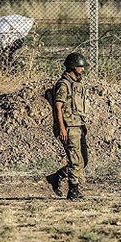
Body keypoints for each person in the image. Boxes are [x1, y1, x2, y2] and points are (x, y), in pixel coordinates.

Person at [45, 52, 89, 201]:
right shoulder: (64, 85)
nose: (82, 69)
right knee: (75, 161)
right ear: (72, 67)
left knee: (83, 161)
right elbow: (58, 107)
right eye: (79, 66)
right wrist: (62, 127)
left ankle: (56, 177)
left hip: (78, 125)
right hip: (69, 127)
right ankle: (73, 190)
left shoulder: (77, 83)